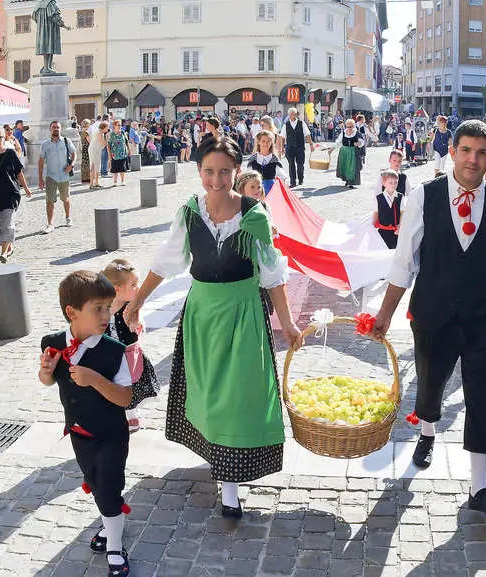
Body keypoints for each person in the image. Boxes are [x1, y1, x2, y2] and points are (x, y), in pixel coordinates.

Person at [123, 134, 303, 520]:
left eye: (224, 171)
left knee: (236, 397)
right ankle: (218, 462)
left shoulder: (255, 213)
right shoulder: (190, 213)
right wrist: (137, 302)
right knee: (208, 395)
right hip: (202, 314)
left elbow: (272, 274)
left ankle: (232, 486)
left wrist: (286, 322)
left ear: (236, 171)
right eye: (209, 171)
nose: (217, 179)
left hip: (243, 314)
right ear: (199, 170)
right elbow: (165, 263)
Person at [368, 120, 486, 515]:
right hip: (433, 314)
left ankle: (478, 488)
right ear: (453, 152)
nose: (473, 159)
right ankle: (427, 429)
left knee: (481, 395)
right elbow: (404, 262)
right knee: (430, 385)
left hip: (483, 317)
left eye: (482, 152)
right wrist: (383, 315)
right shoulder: (425, 197)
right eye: (466, 150)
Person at [38, 270, 133, 577]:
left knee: (108, 487)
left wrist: (94, 379)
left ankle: (115, 547)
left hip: (111, 435)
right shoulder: (52, 342)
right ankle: (110, 523)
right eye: (98, 308)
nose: (107, 314)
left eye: (109, 307)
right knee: (96, 486)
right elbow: (48, 381)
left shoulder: (113, 351)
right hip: (79, 434)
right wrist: (46, 371)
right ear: (72, 312)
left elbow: (124, 398)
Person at [102, 259, 159, 434]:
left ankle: (132, 414)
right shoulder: (101, 307)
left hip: (129, 355)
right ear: (117, 289)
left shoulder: (132, 306)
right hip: (108, 356)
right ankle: (114, 414)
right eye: (133, 285)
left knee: (131, 385)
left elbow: (141, 326)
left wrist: (137, 320)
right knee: (112, 385)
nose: (138, 288)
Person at [0, 126, 31, 262]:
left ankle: (3, 253)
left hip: (10, 193)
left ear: (4, 138)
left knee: (7, 223)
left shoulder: (10, 153)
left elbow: (19, 172)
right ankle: (9, 246)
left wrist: (26, 188)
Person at [38, 120, 76, 234]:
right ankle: (50, 224)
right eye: (54, 127)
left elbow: (74, 153)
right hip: (51, 176)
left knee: (66, 199)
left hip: (64, 176)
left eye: (58, 127)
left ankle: (68, 218)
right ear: (50, 129)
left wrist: (72, 165)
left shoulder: (66, 141)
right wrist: (40, 178)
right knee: (49, 201)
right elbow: (40, 161)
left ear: (60, 129)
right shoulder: (45, 144)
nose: (56, 129)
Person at [373, 168, 406, 249]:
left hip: (396, 233)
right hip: (382, 233)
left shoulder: (400, 197)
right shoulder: (378, 198)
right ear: (384, 183)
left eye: (395, 183)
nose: (393, 185)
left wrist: (400, 226)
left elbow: (403, 212)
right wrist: (373, 228)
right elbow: (375, 213)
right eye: (390, 183)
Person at [283, 107, 313, 187]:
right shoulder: (286, 125)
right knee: (291, 164)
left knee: (300, 165)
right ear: (289, 115)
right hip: (290, 148)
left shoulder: (301, 123)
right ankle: (293, 182)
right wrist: (281, 148)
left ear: (296, 114)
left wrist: (311, 145)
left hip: (300, 147)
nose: (292, 115)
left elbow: (307, 134)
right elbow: (282, 137)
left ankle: (300, 179)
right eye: (290, 114)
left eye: (293, 114)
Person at [335, 119, 365, 188]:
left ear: (353, 126)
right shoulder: (343, 133)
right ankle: (347, 180)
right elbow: (338, 142)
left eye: (350, 127)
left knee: (352, 168)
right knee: (345, 167)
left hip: (353, 153)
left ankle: (351, 182)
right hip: (344, 153)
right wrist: (332, 149)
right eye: (347, 126)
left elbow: (362, 143)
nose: (348, 128)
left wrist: (358, 143)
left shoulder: (357, 133)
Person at [107, 120, 129, 187]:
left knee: (122, 168)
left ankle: (122, 180)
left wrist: (128, 150)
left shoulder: (122, 132)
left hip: (122, 153)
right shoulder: (111, 134)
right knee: (115, 169)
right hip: (114, 154)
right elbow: (108, 145)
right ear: (114, 126)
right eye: (118, 125)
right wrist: (109, 154)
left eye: (120, 125)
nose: (120, 126)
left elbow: (126, 141)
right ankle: (115, 181)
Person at [88, 121, 107, 189]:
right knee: (93, 166)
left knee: (97, 166)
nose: (107, 130)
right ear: (103, 128)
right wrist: (106, 143)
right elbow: (102, 144)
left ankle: (96, 183)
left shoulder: (98, 131)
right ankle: (91, 184)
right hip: (94, 150)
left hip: (96, 150)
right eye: (107, 128)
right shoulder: (99, 133)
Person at [80, 119, 91, 183]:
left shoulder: (81, 131)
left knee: (84, 163)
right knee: (87, 162)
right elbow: (89, 141)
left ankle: (83, 177)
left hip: (83, 147)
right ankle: (87, 177)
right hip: (87, 148)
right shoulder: (86, 132)